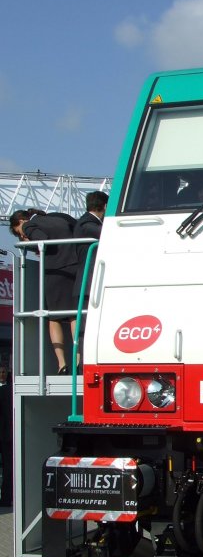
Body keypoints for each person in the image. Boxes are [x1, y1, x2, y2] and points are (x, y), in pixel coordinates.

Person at [9, 208, 78, 375]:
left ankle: (62, 364)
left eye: (19, 233)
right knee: (74, 315)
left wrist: (32, 244)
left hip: (55, 271)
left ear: (20, 222)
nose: (22, 236)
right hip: (76, 267)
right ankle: (78, 360)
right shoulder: (59, 216)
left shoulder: (30, 225)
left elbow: (41, 239)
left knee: (53, 317)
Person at [73, 191, 109, 307]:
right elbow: (109, 233)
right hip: (90, 282)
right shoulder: (87, 224)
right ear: (105, 206)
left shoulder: (87, 222)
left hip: (90, 283)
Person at [0, 366, 12, 507]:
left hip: (6, 435)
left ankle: (6, 498)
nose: (2, 374)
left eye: (4, 371)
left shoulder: (6, 391)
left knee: (8, 468)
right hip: (6, 434)